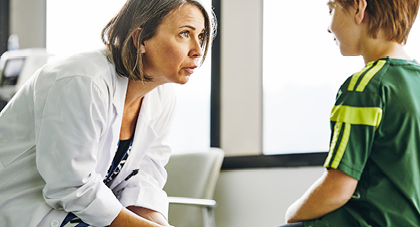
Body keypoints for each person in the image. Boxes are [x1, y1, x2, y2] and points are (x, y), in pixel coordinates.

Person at [0, 0, 216, 226]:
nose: (198, 51)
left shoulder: (162, 96)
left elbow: (144, 181)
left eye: (200, 36)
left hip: (76, 215)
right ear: (140, 39)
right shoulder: (83, 81)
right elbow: (72, 187)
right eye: (184, 34)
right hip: (19, 209)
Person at [279, 0, 420, 226]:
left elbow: (337, 189)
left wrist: (291, 214)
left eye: (331, 10)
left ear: (359, 8)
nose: (328, 26)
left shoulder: (364, 88)